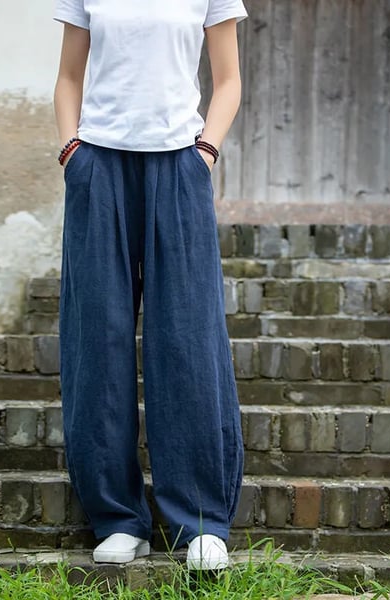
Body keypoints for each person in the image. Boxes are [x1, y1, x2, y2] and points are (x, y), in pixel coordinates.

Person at [52, 0, 248, 570]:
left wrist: (205, 151)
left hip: (180, 164)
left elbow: (229, 79)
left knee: (187, 340)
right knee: (98, 339)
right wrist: (72, 152)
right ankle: (117, 518)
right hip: (98, 166)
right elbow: (68, 76)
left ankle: (201, 522)